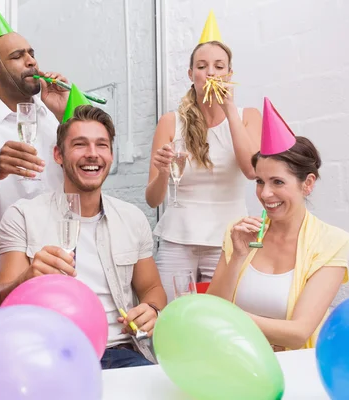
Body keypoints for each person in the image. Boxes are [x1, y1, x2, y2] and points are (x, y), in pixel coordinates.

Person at [0, 104, 167, 369]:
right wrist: (28, 278)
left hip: (120, 351)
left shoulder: (132, 219)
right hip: (52, 354)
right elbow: (0, 300)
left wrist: (152, 310)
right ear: (58, 155)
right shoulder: (23, 216)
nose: (92, 154)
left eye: (102, 145)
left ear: (111, 155)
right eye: (80, 144)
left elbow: (152, 289)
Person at [207, 98, 349, 351]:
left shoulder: (332, 241)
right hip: (232, 359)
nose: (265, 194)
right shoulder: (240, 232)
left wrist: (229, 318)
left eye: (278, 182)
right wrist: (238, 257)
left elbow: (299, 333)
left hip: (293, 368)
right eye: (260, 182)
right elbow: (212, 310)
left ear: (307, 183)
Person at [146, 12, 261, 302]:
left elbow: (252, 170)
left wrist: (229, 109)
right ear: (191, 75)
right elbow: (152, 199)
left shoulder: (248, 116)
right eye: (202, 66)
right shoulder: (170, 122)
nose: (210, 73)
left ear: (229, 75)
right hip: (177, 238)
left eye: (218, 66)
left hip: (228, 240)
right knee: (171, 315)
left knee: (221, 317)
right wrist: (162, 171)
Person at [0, 0, 70, 220]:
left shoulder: (55, 118)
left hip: (58, 244)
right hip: (0, 250)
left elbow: (88, 169)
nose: (31, 62)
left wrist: (65, 114)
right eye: (17, 56)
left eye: (31, 54)